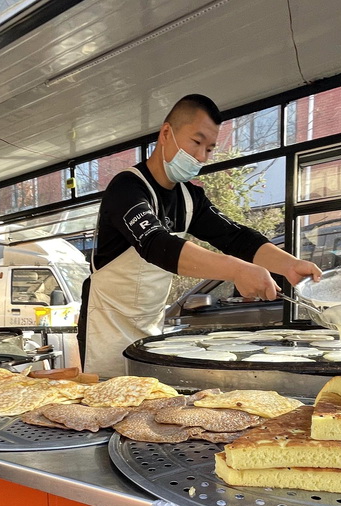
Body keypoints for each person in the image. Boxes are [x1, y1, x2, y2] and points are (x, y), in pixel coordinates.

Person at [78, 94, 322, 377]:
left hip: (149, 323)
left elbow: (236, 237)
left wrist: (288, 265)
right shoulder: (127, 188)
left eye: (210, 148)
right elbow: (156, 245)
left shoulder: (190, 198)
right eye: (196, 142)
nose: (202, 156)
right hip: (106, 325)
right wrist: (237, 270)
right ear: (166, 133)